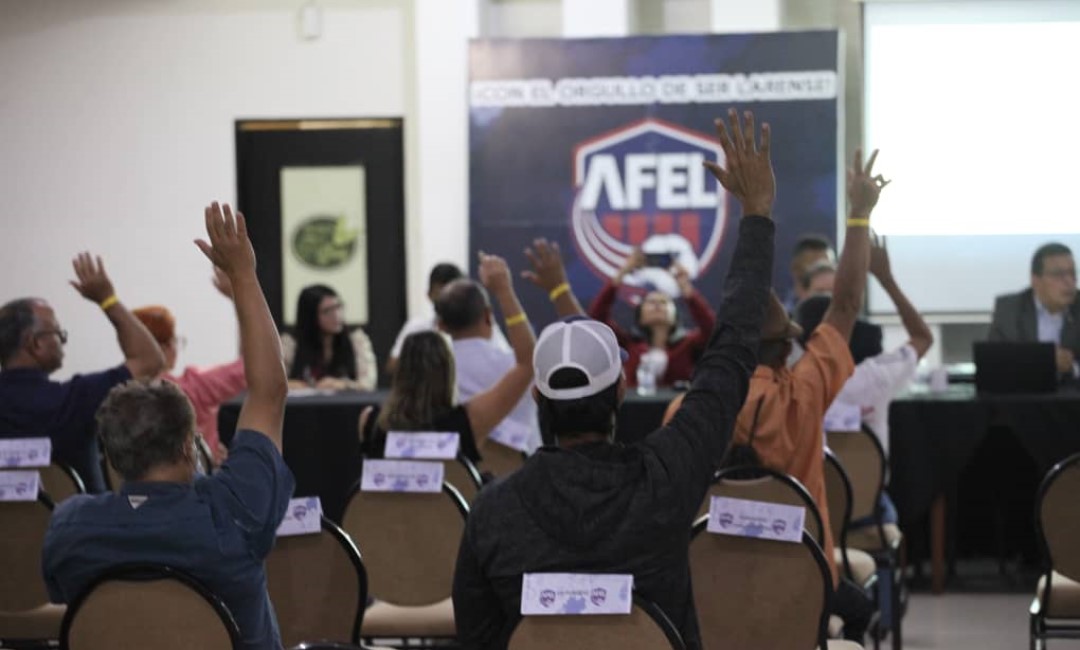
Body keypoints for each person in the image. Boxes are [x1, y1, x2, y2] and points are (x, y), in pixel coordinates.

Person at [452, 109, 775, 650]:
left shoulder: (491, 512)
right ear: (620, 391)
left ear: (538, 397)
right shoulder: (667, 476)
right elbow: (731, 355)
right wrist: (757, 215)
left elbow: (478, 640)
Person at [43, 202, 293, 650]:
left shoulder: (70, 527)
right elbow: (268, 392)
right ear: (187, 445)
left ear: (111, 455)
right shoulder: (235, 511)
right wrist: (243, 276)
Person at [727, 148, 889, 641]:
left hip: (716, 582)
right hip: (802, 581)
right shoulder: (803, 396)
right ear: (786, 348)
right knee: (860, 609)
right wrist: (859, 214)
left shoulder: (688, 411)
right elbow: (845, 304)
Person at [0, 254, 165, 493]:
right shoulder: (75, 400)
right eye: (58, 333)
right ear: (35, 343)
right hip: (80, 518)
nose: (63, 341)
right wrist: (107, 300)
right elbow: (149, 360)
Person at [360, 252, 535, 462]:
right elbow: (528, 363)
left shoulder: (368, 421)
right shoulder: (467, 421)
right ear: (448, 369)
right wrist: (504, 290)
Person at [132, 269, 245, 466]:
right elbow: (250, 366)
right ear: (163, 348)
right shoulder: (189, 389)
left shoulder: (124, 396)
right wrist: (239, 297)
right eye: (175, 341)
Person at [588, 250, 716, 388]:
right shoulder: (627, 345)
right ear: (640, 316)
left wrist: (686, 288)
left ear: (675, 315)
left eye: (664, 302)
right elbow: (597, 319)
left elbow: (712, 329)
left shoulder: (689, 345)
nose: (657, 305)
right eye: (650, 302)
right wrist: (622, 274)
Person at [386, 262, 509, 376]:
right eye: (442, 295)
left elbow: (508, 365)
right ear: (429, 294)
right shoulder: (417, 327)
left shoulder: (482, 327)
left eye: (455, 297)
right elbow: (392, 366)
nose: (449, 303)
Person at [989, 242, 1080, 377]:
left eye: (1072, 273)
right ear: (1036, 280)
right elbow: (994, 363)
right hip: (1023, 388)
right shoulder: (1010, 310)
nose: (1069, 281)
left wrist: (1071, 367)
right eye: (1059, 275)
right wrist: (1041, 360)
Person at [281, 284, 377, 391]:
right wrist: (296, 385)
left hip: (345, 401)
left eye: (338, 307)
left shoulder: (356, 340)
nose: (336, 315)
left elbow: (368, 384)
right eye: (327, 311)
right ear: (310, 316)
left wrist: (344, 385)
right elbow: (274, 383)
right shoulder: (290, 343)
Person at [784, 234, 837, 311]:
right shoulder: (782, 315)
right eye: (815, 266)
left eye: (828, 265)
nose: (824, 272)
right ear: (796, 269)